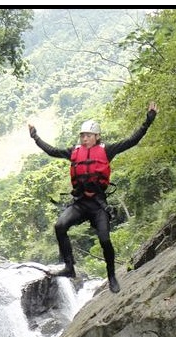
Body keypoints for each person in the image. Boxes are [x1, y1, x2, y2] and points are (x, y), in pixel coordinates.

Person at [28, 102, 158, 293]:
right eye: (82, 135)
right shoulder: (74, 152)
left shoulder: (107, 150)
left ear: (97, 136)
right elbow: (52, 151)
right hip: (80, 203)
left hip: (98, 205)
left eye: (88, 135)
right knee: (60, 226)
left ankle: (112, 275)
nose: (84, 138)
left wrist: (148, 122)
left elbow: (132, 141)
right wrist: (35, 137)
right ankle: (69, 267)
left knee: (105, 239)